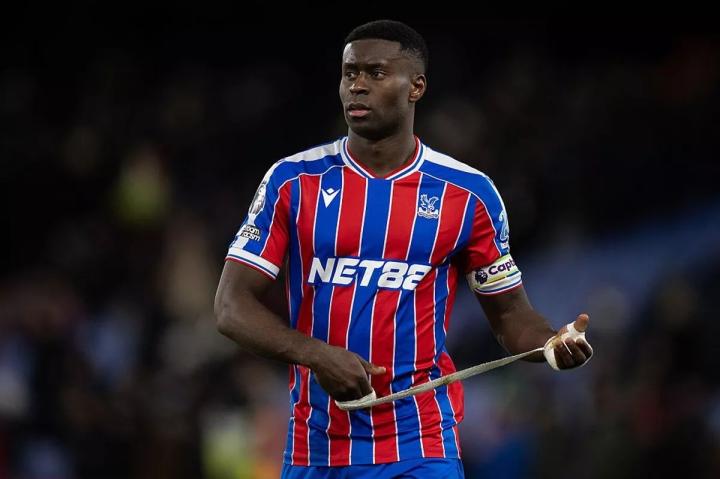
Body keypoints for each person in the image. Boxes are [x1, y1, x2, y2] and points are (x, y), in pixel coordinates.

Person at [214, 19, 593, 479]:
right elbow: (231, 306)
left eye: (375, 73)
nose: (357, 86)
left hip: (421, 447)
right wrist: (316, 354)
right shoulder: (293, 181)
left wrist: (551, 343)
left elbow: (511, 317)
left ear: (416, 87)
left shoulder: (468, 195)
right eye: (350, 73)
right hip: (317, 449)